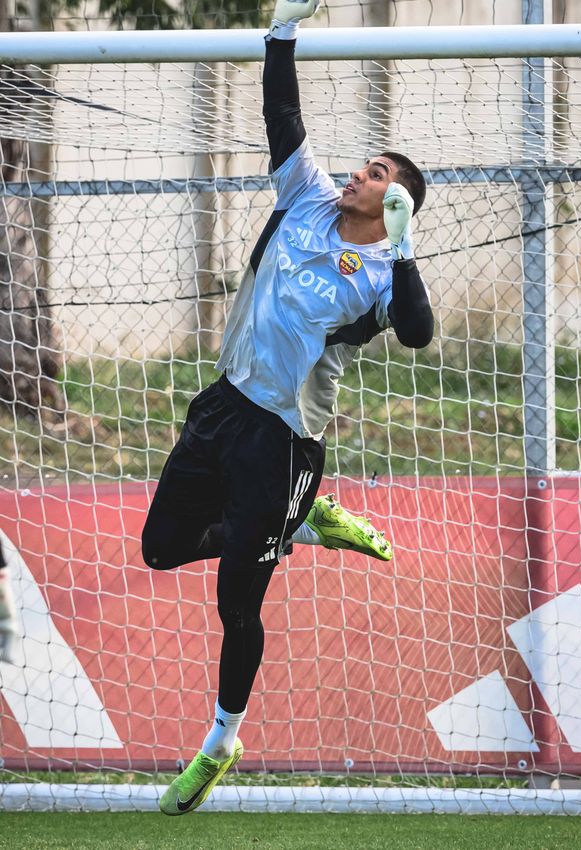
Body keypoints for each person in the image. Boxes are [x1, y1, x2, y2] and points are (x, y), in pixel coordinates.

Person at [142, 0, 434, 816]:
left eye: (377, 174)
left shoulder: (381, 279)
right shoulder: (302, 196)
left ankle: (220, 740)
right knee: (159, 550)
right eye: (364, 164)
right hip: (222, 408)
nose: (357, 173)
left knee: (239, 599)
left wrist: (404, 245)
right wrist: (280, 32)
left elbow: (416, 334)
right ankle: (303, 527)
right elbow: (282, 115)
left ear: (397, 204)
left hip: (284, 442)